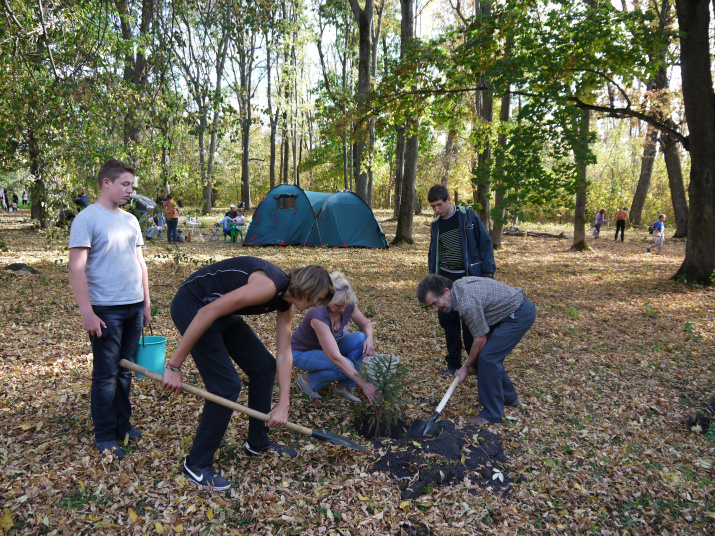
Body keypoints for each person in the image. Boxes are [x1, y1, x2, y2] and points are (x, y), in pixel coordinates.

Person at [162, 258, 334, 491]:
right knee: (226, 386)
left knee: (264, 366)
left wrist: (284, 404)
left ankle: (258, 442)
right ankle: (196, 464)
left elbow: (284, 353)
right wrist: (174, 367)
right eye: (319, 297)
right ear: (308, 289)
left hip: (219, 311)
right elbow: (206, 312)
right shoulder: (268, 287)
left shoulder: (285, 303)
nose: (319, 304)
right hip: (193, 305)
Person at [68, 159, 151, 459]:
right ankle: (104, 434)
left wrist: (146, 302)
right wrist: (87, 312)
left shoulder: (131, 220)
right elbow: (76, 268)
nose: (130, 190)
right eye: (125, 184)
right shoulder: (87, 219)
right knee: (106, 375)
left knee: (126, 371)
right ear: (106, 183)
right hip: (105, 310)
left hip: (133, 306)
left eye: (131, 185)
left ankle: (122, 426)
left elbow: (140, 263)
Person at [417, 274, 536, 426]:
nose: (435, 309)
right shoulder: (458, 289)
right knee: (489, 355)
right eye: (431, 307)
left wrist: (466, 367)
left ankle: (492, 414)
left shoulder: (467, 304)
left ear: (446, 291)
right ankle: (509, 397)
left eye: (435, 303)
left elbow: (480, 339)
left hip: (519, 314)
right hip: (507, 313)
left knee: (487, 358)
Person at [427, 184, 495, 377]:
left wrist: (488, 275)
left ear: (449, 200)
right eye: (433, 206)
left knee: (470, 323)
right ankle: (453, 363)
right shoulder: (436, 225)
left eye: (439, 204)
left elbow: (485, 244)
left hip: (468, 278)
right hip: (445, 279)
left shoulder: (467, 216)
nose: (437, 210)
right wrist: (433, 280)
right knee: (448, 322)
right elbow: (433, 254)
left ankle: (475, 363)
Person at [291, 271, 378, 404]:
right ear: (327, 298)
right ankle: (307, 380)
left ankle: (343, 386)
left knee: (360, 338)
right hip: (302, 353)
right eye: (338, 305)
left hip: (329, 348)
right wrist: (365, 384)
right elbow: (335, 357)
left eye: (345, 305)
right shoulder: (318, 315)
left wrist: (369, 338)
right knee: (344, 365)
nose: (343, 309)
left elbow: (365, 324)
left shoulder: (346, 304)